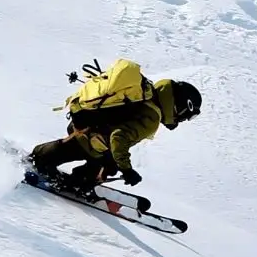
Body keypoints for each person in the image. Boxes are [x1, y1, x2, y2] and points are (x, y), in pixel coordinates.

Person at [28, 61, 203, 196]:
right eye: (189, 115)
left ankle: (47, 160)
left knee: (103, 161)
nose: (185, 119)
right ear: (181, 106)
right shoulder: (152, 117)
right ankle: (63, 175)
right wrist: (127, 170)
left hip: (84, 121)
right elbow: (118, 138)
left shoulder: (145, 94)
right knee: (98, 157)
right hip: (92, 140)